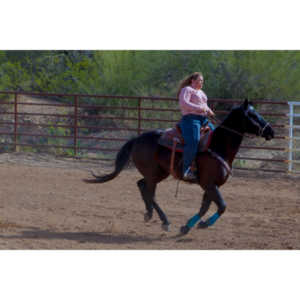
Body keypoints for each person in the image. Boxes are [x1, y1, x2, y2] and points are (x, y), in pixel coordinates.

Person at [177, 72, 215, 181]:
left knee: (216, 135)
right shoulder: (187, 90)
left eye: (202, 81)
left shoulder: (202, 93)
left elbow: (205, 106)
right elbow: (184, 104)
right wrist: (199, 108)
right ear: (192, 81)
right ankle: (186, 170)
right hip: (190, 119)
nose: (201, 83)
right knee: (194, 141)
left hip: (203, 120)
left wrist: (209, 111)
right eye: (199, 80)